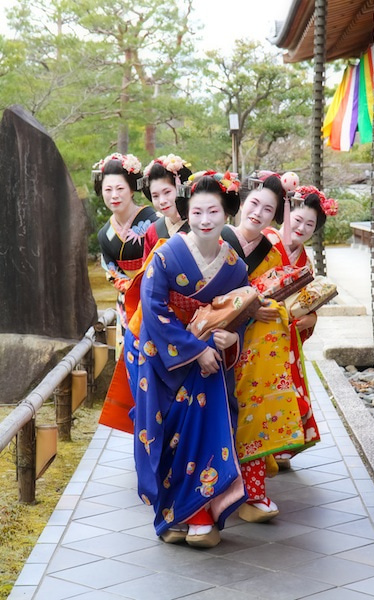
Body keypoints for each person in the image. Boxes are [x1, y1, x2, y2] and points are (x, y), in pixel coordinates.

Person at [129, 172, 248, 548]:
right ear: (187, 212)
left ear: (226, 215)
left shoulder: (234, 266)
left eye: (214, 211)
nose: (206, 220)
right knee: (165, 433)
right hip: (164, 355)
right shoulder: (166, 255)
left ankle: (199, 512)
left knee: (205, 421)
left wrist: (229, 339)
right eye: (197, 212)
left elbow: (237, 316)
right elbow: (153, 308)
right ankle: (171, 515)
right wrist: (195, 349)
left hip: (210, 358)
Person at [221, 172, 305, 523]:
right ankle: (216, 491)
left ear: (274, 217)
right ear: (240, 202)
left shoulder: (272, 255)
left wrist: (276, 310)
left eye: (268, 209)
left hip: (253, 351)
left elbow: (282, 302)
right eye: (253, 203)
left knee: (253, 416)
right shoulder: (219, 239)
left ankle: (252, 493)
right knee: (215, 420)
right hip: (216, 345)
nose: (258, 213)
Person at [263, 185, 338, 466]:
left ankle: (281, 447)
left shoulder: (305, 261)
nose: (302, 228)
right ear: (285, 215)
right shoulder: (265, 241)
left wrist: (312, 318)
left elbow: (309, 301)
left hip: (288, 337)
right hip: (261, 329)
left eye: (310, 224)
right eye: (297, 220)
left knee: (288, 391)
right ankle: (259, 450)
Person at [93, 153, 157, 434]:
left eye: (120, 188)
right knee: (133, 363)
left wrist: (146, 285)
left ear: (132, 188)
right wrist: (129, 288)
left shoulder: (152, 219)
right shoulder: (105, 233)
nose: (114, 195)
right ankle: (141, 422)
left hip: (156, 297)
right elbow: (111, 270)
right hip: (128, 303)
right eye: (108, 189)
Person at [142, 154, 192, 259]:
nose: (162, 201)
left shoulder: (199, 224)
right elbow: (147, 272)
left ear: (180, 189)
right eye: (155, 196)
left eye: (167, 192)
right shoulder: (152, 232)